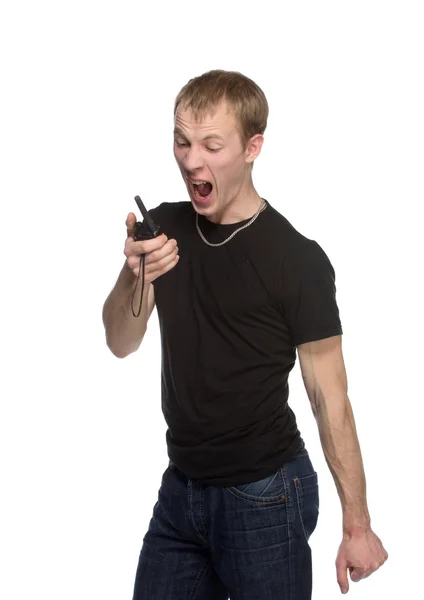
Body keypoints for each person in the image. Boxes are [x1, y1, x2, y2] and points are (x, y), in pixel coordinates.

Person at [102, 70, 388, 600]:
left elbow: (331, 399)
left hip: (265, 492)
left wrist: (357, 525)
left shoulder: (295, 259)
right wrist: (135, 275)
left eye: (212, 145)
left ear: (253, 147)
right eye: (182, 142)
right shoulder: (162, 231)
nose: (192, 161)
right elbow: (120, 341)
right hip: (182, 486)